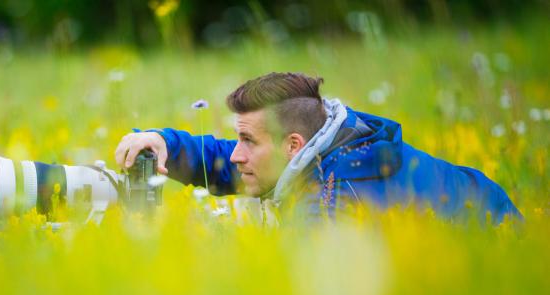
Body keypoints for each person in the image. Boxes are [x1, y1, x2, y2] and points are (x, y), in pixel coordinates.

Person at [114, 72, 522, 224]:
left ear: (294, 145)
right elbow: (237, 162)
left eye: (247, 140)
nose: (236, 154)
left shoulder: (332, 204)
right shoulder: (333, 141)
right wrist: (165, 142)